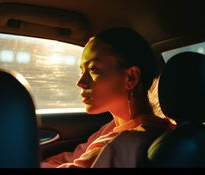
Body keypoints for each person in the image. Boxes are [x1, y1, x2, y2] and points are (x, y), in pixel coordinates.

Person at [41, 27, 175, 168]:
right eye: (82, 71)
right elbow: (75, 157)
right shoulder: (112, 128)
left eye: (93, 69)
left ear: (131, 78)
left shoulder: (120, 145)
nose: (80, 83)